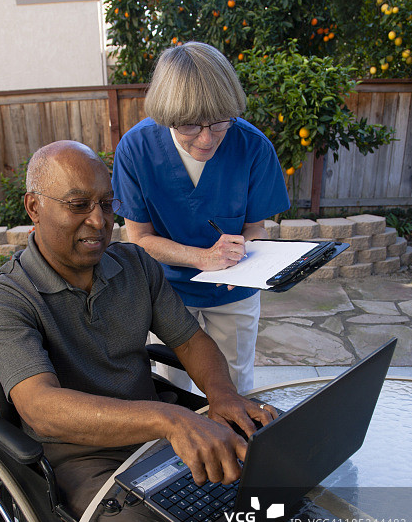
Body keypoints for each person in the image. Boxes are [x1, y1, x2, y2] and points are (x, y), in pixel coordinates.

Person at [0, 140, 277, 522]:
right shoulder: (5, 299)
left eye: (106, 204)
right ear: (34, 207)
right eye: (78, 205)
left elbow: (189, 339)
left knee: (271, 466)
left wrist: (222, 394)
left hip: (154, 433)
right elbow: (41, 409)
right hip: (78, 457)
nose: (100, 221)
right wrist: (170, 419)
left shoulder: (135, 265)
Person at [112, 41, 290, 395]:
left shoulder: (253, 147)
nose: (207, 139)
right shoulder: (135, 150)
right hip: (167, 290)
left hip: (234, 290)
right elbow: (140, 238)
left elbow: (254, 228)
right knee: (170, 383)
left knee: (235, 384)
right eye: (191, 126)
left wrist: (243, 265)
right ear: (167, 115)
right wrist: (203, 258)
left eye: (220, 123)